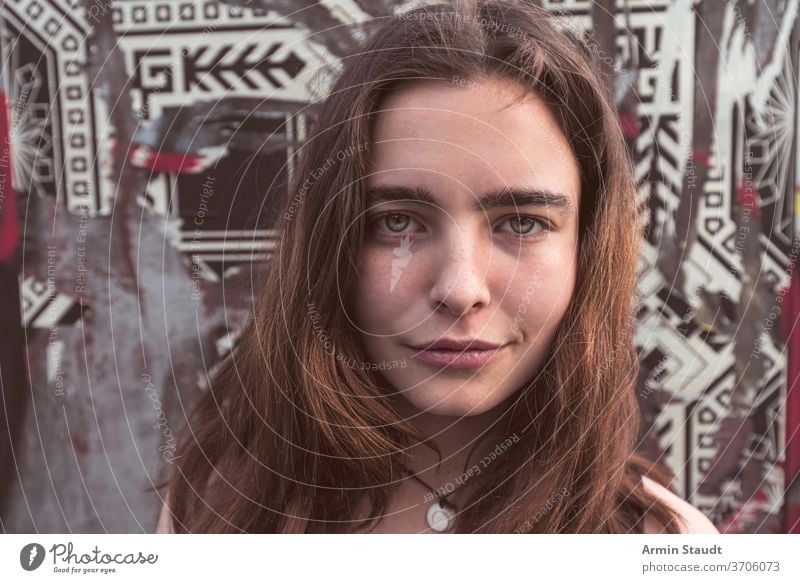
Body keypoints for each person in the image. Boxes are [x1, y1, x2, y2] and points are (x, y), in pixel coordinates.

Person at [155, 0, 719, 534]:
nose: (460, 289)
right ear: (327, 242)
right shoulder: (216, 503)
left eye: (521, 223)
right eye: (397, 222)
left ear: (588, 249)